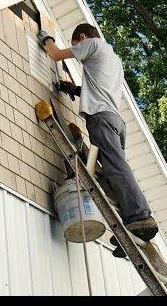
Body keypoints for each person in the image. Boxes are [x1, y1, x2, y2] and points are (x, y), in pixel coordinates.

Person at [37, 23, 159, 248]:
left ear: (82, 37)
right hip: (115, 121)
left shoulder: (92, 44)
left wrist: (46, 39)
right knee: (110, 174)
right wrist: (73, 89)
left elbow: (54, 55)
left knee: (116, 168)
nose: (77, 50)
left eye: (76, 46)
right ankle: (132, 230)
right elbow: (98, 87)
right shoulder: (113, 59)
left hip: (101, 119)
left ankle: (140, 217)